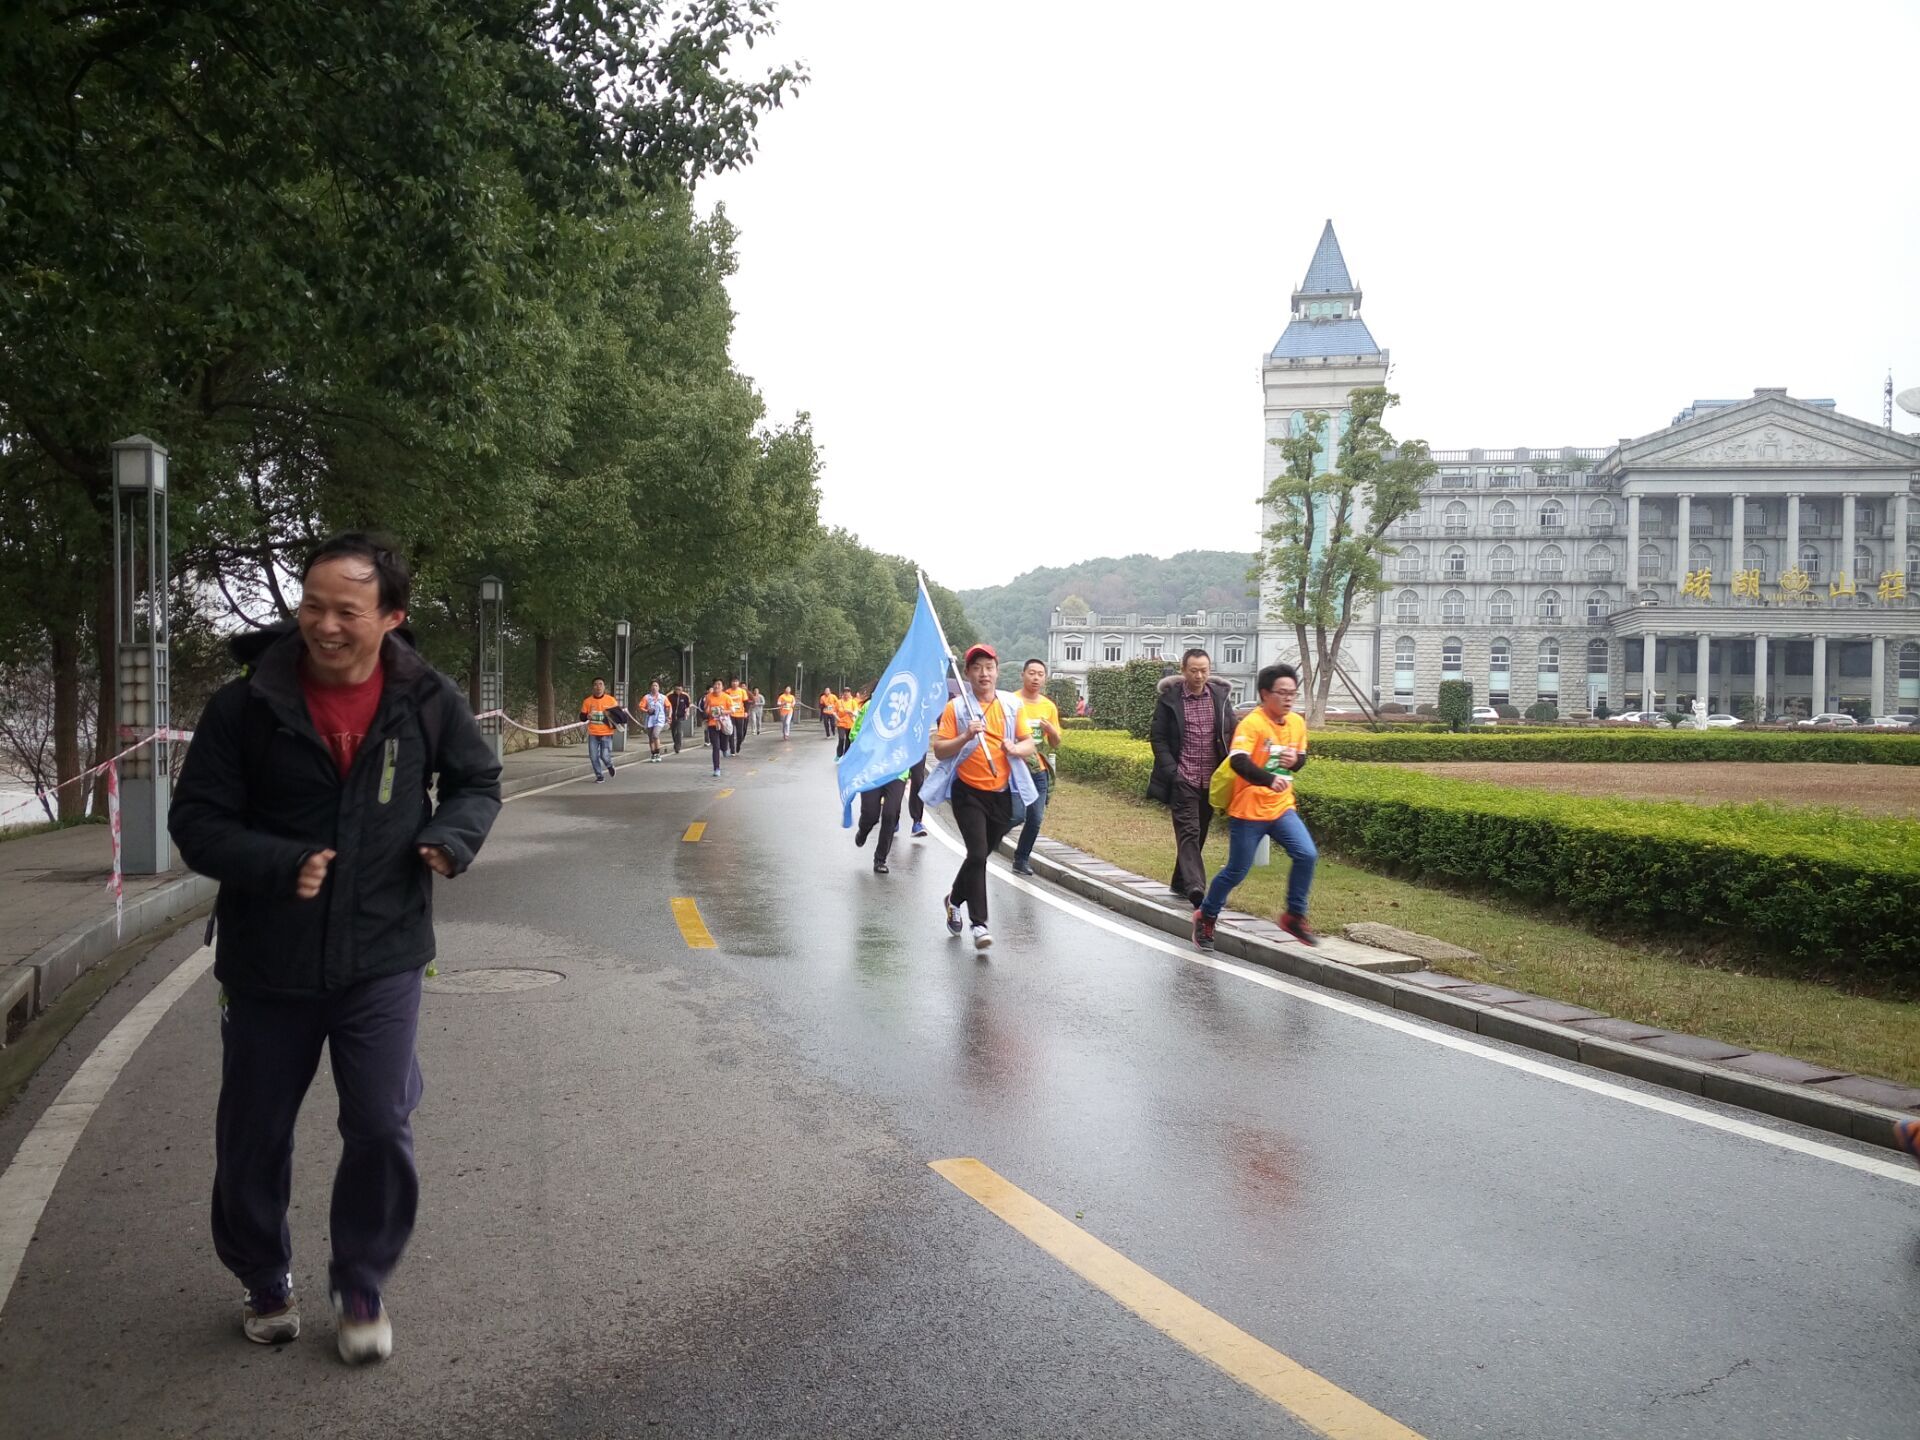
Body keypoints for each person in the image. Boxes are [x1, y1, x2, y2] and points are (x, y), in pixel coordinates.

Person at [169, 532, 502, 1364]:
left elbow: (476, 781)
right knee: (254, 1132)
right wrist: (280, 864)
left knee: (381, 1122)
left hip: (383, 950)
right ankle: (263, 1275)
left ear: (390, 616)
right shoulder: (245, 706)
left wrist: (451, 837)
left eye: (346, 611)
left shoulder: (426, 698)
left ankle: (361, 1282)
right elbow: (197, 821)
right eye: (312, 606)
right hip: (268, 958)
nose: (324, 625)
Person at [1193, 663, 1318, 953]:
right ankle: (1207, 915)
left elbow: (1300, 758)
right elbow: (1238, 760)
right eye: (1281, 693)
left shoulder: (1296, 723)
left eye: (1292, 693)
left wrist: (1295, 762)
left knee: (1307, 854)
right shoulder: (1252, 724)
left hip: (1281, 807)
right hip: (1249, 810)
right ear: (1265, 694)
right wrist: (1268, 779)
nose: (1288, 698)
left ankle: (1294, 916)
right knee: (1237, 871)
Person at [926, 644, 1038, 950]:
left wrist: (1015, 749)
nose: (983, 673)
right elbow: (940, 749)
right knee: (977, 854)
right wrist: (965, 736)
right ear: (967, 673)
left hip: (1001, 794)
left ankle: (954, 898)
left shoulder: (1011, 705)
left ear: (997, 671)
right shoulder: (957, 708)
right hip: (967, 792)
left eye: (989, 667)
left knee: (979, 856)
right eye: (976, 668)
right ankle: (979, 924)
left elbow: (1029, 743)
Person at [1148, 648, 1237, 909]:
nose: (1199, 676)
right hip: (1183, 777)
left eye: (1204, 670)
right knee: (1189, 831)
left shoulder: (1220, 697)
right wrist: (1173, 772)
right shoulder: (1170, 699)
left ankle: (1179, 881)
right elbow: (1158, 738)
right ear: (1183, 670)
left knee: (1200, 833)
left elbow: (1232, 731)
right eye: (1194, 670)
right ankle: (1197, 888)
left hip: (1211, 779)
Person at [1010, 659, 1063, 876]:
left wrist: (1051, 731)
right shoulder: (1011, 701)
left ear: (1045, 679)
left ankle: (1021, 859)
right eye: (1031, 673)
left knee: (1036, 818)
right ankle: (989, 839)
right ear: (1023, 675)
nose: (1035, 678)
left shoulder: (1048, 707)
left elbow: (1056, 743)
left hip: (1038, 769)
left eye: (1040, 674)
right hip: (1015, 768)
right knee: (1017, 815)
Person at [846, 693, 908, 874]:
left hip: (897, 770)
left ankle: (880, 859)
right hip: (872, 769)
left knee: (890, 814)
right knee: (871, 814)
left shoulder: (907, 707)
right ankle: (863, 830)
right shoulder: (870, 707)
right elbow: (855, 734)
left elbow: (915, 737)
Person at [580, 678, 622, 782]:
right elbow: (582, 717)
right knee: (593, 756)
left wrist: (609, 714)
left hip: (606, 733)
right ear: (592, 687)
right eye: (595, 684)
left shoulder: (610, 700)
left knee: (604, 755)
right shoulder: (587, 701)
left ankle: (609, 765)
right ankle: (599, 776)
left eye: (600, 684)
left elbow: (619, 715)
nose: (598, 686)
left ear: (604, 687)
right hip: (593, 733)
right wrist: (587, 716)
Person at [702, 679, 731, 777]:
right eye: (715, 684)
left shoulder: (726, 697)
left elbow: (732, 710)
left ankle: (725, 749)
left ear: (722, 687)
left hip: (723, 724)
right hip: (712, 724)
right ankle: (716, 768)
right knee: (716, 747)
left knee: (723, 745)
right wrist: (708, 710)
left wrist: (723, 712)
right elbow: (706, 710)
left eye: (719, 684)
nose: (717, 686)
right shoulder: (708, 697)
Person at [639, 680, 668, 762]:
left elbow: (669, 706)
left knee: (655, 735)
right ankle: (653, 754)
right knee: (651, 737)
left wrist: (669, 716)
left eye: (656, 686)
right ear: (650, 687)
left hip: (659, 719)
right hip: (650, 720)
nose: (654, 687)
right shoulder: (647, 697)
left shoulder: (663, 697)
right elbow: (641, 707)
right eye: (653, 685)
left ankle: (657, 753)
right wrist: (647, 710)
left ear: (659, 688)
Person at [727, 677, 749, 756]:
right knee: (731, 732)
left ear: (738, 683)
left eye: (736, 681)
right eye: (733, 681)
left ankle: (738, 744)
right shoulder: (728, 692)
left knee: (740, 733)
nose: (734, 683)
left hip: (740, 714)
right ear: (731, 683)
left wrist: (746, 712)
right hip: (730, 714)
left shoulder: (742, 691)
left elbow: (746, 703)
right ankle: (732, 750)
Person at [668, 684, 690, 754]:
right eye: (676, 689)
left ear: (682, 690)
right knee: (673, 731)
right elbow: (666, 705)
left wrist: (687, 712)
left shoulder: (684, 696)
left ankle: (678, 746)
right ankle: (675, 743)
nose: (678, 691)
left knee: (679, 731)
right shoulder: (670, 696)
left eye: (679, 690)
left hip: (680, 716)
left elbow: (688, 705)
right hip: (672, 716)